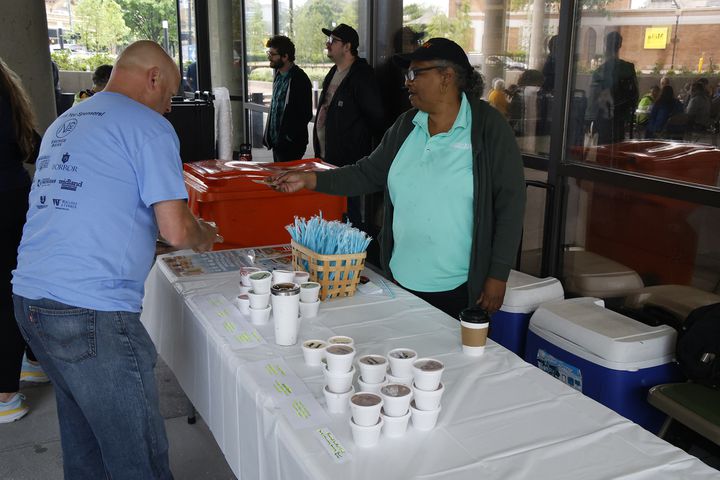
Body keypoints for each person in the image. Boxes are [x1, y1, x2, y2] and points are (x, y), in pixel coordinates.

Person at [12, 41, 219, 479]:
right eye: (168, 98)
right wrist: (206, 235)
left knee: (84, 438)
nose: (167, 110)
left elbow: (89, 206)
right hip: (91, 312)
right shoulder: (148, 126)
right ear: (153, 78)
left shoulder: (67, 121)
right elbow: (179, 229)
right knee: (135, 455)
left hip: (29, 300)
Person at [270, 38, 525, 319]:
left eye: (416, 73)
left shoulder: (488, 128)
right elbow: (367, 173)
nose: (408, 82)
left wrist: (497, 274)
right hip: (400, 279)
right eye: (407, 74)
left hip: (459, 289)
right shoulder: (406, 125)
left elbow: (510, 205)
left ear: (447, 77)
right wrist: (310, 180)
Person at [0, 58, 45, 423]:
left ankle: (5, 394)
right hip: (13, 196)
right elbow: (32, 145)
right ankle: (32, 359)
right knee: (16, 283)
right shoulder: (7, 88)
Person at [313, 23, 385, 227]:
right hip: (328, 157)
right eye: (328, 40)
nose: (328, 44)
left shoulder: (361, 76)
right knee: (333, 210)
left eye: (333, 41)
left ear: (347, 46)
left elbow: (376, 118)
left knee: (349, 213)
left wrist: (358, 146)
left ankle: (354, 254)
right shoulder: (333, 72)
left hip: (349, 160)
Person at [262, 35, 312, 162]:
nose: (269, 57)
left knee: (286, 180)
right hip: (277, 143)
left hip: (291, 145)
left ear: (285, 56)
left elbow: (305, 114)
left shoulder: (300, 79)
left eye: (273, 54)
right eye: (269, 53)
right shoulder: (278, 76)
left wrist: (289, 136)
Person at [589, 31, 639, 144]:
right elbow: (635, 94)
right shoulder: (629, 68)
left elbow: (593, 98)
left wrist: (589, 118)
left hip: (604, 116)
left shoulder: (600, 71)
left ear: (605, 45)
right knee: (618, 146)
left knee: (603, 148)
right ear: (620, 45)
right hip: (622, 116)